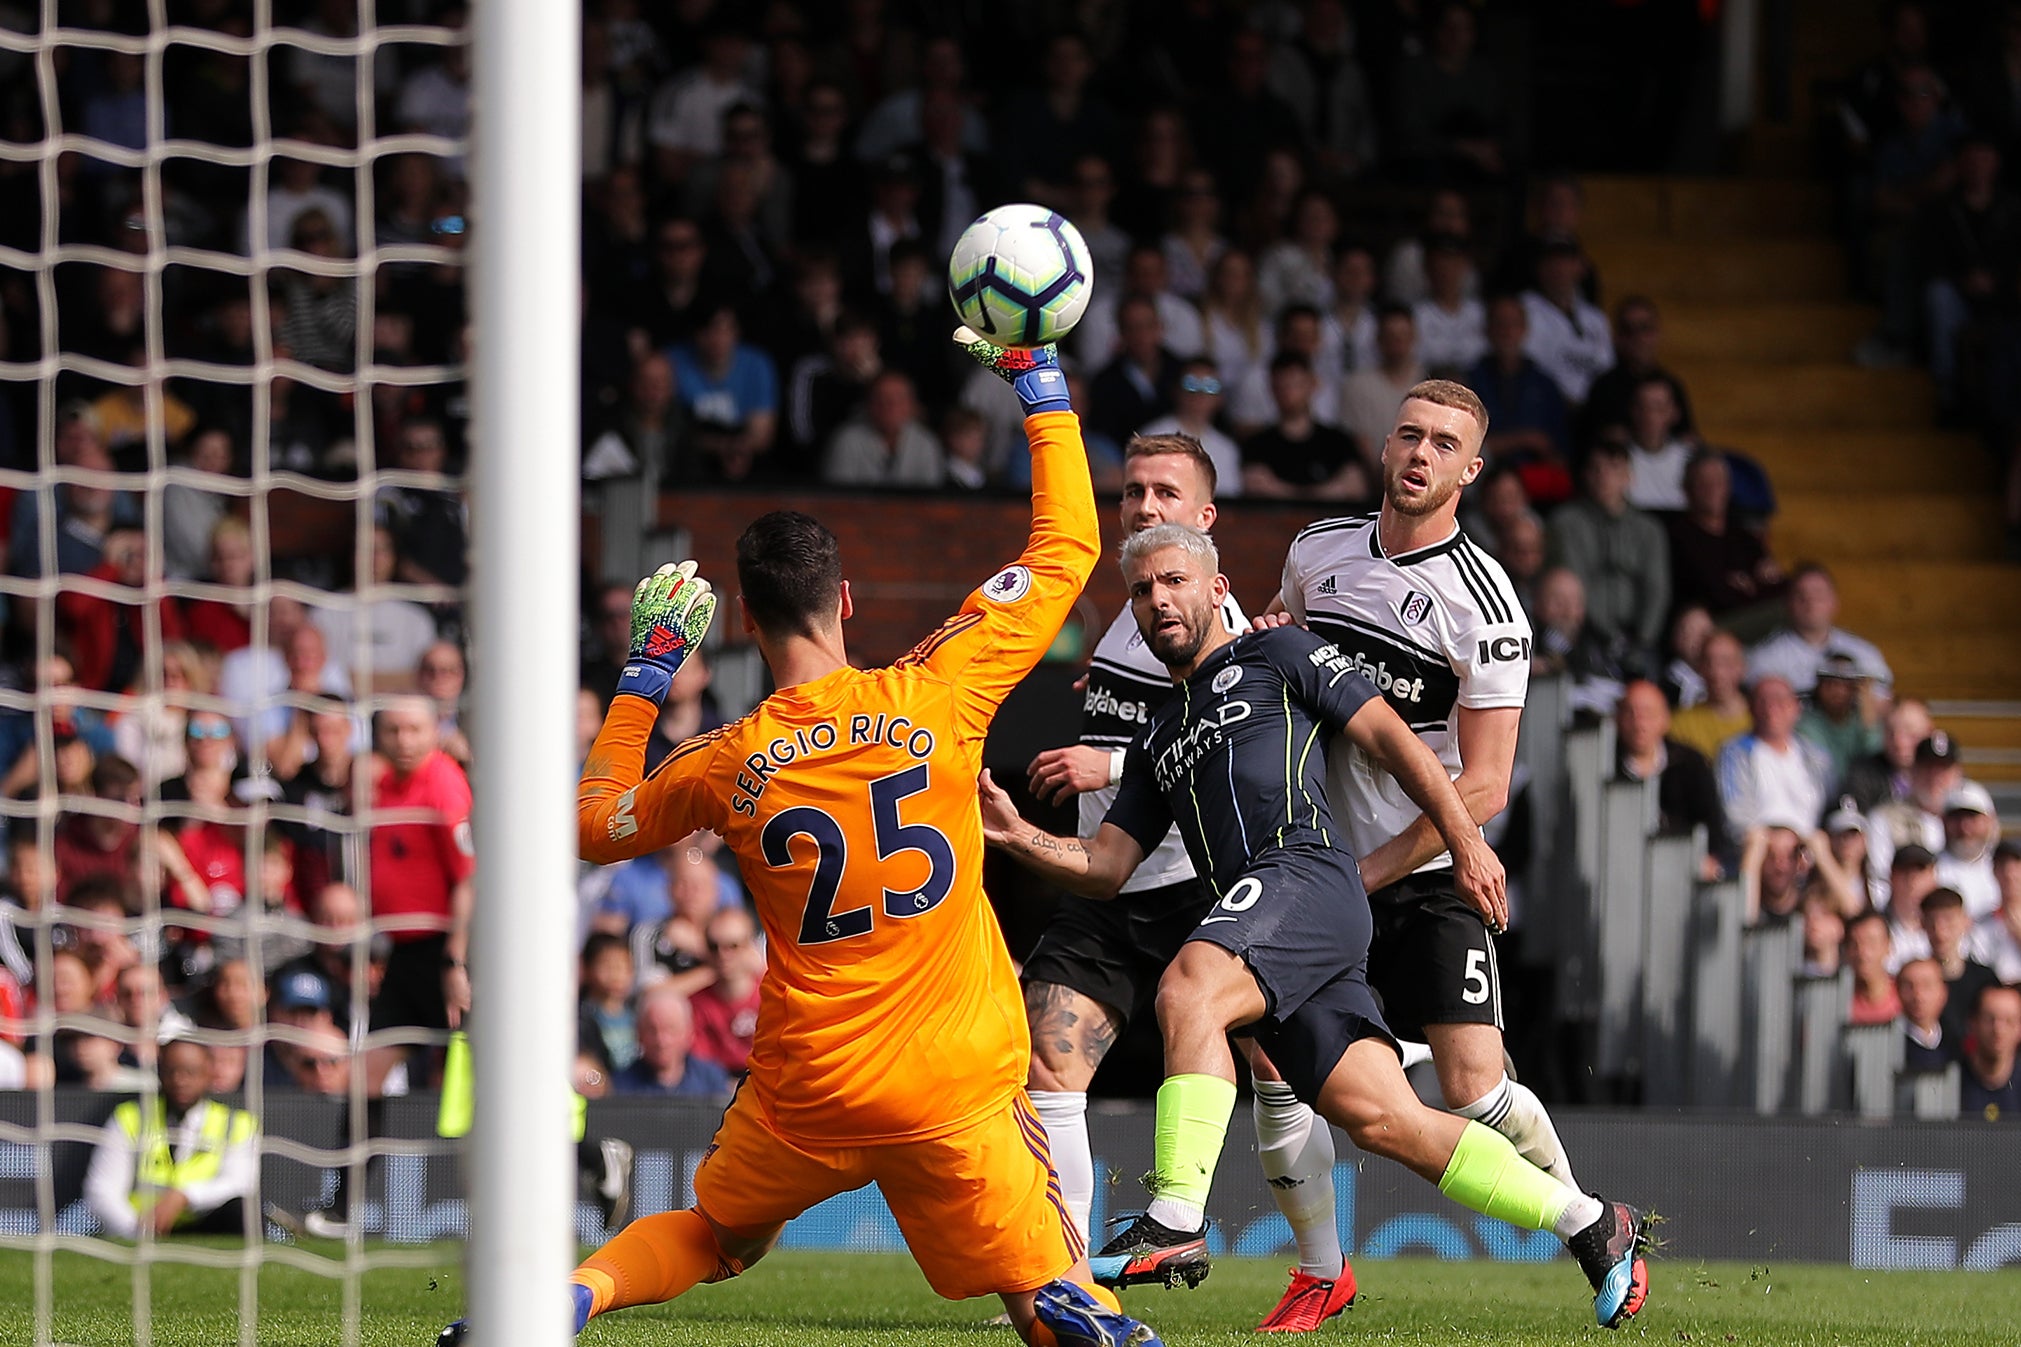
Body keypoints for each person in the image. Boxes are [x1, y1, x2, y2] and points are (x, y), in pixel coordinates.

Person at [440, 331, 1164, 1347]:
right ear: (847, 600)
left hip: (810, 1085)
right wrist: (1037, 385)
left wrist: (645, 679)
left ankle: (563, 1302)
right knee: (1038, 1279)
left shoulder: (728, 760)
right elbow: (1066, 549)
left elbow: (593, 825)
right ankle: (1070, 1309)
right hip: (954, 1079)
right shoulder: (937, 688)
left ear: (743, 612)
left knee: (713, 1234)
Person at [983, 521, 1651, 1332]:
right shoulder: (1157, 732)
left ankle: (1175, 1220)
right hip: (1280, 917)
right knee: (1386, 1119)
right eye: (1142, 589)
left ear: (1217, 588)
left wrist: (1466, 840)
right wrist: (1019, 837)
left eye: (1174, 580)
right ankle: (1589, 1222)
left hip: (1305, 871)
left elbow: (1394, 740)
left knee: (1188, 987)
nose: (1158, 599)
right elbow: (1105, 864)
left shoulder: (1277, 654)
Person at [1016, 432, 1245, 1254]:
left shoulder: (1226, 626)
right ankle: (1068, 1276)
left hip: (1197, 887)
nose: (1145, 507)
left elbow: (1231, 742)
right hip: (1106, 881)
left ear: (1205, 517)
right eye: (1132, 492)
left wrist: (1107, 756)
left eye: (1164, 494)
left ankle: (1322, 1265)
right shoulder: (1132, 603)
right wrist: (1113, 696)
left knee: (1297, 1082)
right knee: (1047, 1068)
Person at [365, 697, 475, 1035]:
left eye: (414, 730)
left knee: (456, 1065)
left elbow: (468, 878)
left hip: (444, 949)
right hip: (401, 952)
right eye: (393, 730)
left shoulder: (443, 785)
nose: (404, 741)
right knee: (368, 1071)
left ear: (435, 731)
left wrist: (454, 961)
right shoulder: (383, 785)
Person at [83, 1037, 258, 1238]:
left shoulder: (236, 1124)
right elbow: (101, 1191)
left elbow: (240, 1183)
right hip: (140, 1227)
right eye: (172, 1071)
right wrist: (137, 1231)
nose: (180, 1080)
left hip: (204, 1226)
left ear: (209, 1073)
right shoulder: (130, 1117)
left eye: (190, 1072)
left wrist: (184, 1196)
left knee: (243, 1210)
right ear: (159, 1072)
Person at [1615, 680, 1730, 880]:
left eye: (1648, 714)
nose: (1639, 723)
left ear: (1665, 720)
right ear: (1618, 719)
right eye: (1630, 713)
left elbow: (1711, 824)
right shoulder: (1606, 763)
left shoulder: (1691, 762)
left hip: (1682, 863)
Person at [1747, 565, 1893, 697]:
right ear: (1788, 603)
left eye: (1819, 594)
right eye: (1801, 595)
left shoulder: (1864, 654)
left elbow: (1882, 703)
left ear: (1834, 602)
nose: (1811, 602)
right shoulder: (1765, 660)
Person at [1715, 678, 1833, 835]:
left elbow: (1831, 806)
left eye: (1780, 699)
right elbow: (1734, 813)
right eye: (1763, 700)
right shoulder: (1733, 753)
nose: (1771, 707)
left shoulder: (1816, 755)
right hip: (1757, 849)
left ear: (1796, 707)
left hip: (1810, 848)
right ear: (1751, 708)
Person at [609, 983, 731, 1097]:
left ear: (689, 1033)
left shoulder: (711, 1080)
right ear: (639, 1034)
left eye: (671, 1030)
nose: (662, 1040)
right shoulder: (621, 1085)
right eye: (652, 1030)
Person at [1669, 631, 1752, 763]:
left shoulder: (1761, 717)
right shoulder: (1680, 724)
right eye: (1708, 662)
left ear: (1741, 667)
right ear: (1700, 668)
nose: (1717, 672)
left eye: (1725, 662)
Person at [1959, 983, 2021, 1121]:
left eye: (2009, 1021)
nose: (1998, 1030)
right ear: (1973, 1023)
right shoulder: (1952, 1082)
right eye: (1989, 1019)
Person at [1895, 958, 1957, 1073]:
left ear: (1943, 993)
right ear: (1897, 991)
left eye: (1927, 985)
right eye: (1909, 986)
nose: (1918, 996)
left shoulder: (1955, 1041)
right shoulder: (1890, 1043)